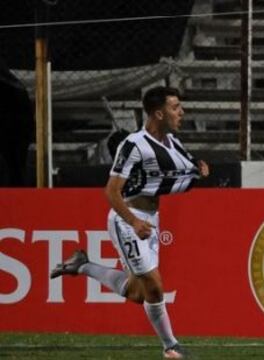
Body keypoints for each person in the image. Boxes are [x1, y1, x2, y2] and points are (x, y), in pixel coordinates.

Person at [50, 86, 209, 359]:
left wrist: (200, 168)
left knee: (138, 292)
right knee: (155, 287)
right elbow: (111, 191)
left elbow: (184, 165)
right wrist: (133, 222)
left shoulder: (172, 142)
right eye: (175, 108)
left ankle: (82, 265)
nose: (181, 113)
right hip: (128, 221)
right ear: (158, 113)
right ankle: (171, 347)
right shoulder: (134, 144)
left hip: (150, 221)